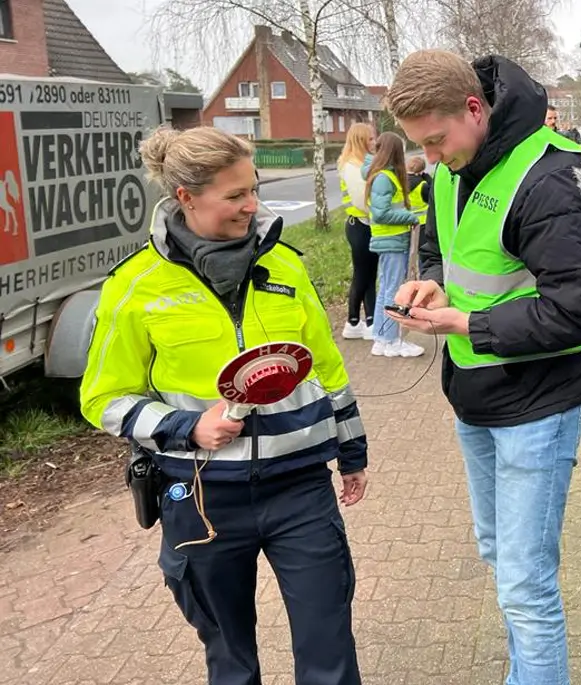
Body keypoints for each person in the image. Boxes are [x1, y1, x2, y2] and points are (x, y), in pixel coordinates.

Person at [79, 125, 369, 685]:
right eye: (235, 195)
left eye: (253, 189)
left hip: (300, 489)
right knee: (231, 661)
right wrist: (188, 426)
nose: (252, 205)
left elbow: (328, 367)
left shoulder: (284, 265)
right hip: (203, 498)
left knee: (329, 649)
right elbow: (103, 398)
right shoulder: (135, 286)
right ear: (186, 197)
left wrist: (352, 449)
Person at [384, 50, 581, 685]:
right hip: (476, 396)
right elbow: (436, 247)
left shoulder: (550, 178)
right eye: (419, 146)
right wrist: (432, 286)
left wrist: (467, 325)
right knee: (500, 557)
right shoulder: (453, 166)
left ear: (475, 109)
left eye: (435, 141)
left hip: (538, 403)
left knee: (525, 582)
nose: (430, 159)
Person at [363, 131, 425, 358]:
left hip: (389, 240)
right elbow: (381, 213)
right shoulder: (384, 178)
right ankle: (391, 340)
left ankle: (382, 338)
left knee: (386, 288)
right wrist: (411, 217)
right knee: (393, 290)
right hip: (393, 240)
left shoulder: (380, 175)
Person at [337, 122, 378, 340]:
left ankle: (366, 321)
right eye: (370, 139)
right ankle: (355, 321)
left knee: (368, 274)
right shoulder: (352, 166)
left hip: (363, 224)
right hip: (361, 225)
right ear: (361, 140)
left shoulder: (359, 163)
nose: (374, 142)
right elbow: (362, 200)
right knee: (363, 274)